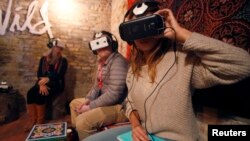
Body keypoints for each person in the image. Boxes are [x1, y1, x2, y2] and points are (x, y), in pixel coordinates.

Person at [83, 1, 250, 141]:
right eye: (136, 27)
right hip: (143, 134)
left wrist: (183, 34)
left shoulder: (183, 60)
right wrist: (135, 125)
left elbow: (244, 65)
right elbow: (130, 103)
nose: (142, 34)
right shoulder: (134, 67)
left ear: (161, 26)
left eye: (148, 25)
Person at [69, 31, 129, 140]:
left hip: (121, 107)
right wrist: (88, 99)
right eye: (97, 44)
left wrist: (90, 107)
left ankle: (84, 131)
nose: (101, 47)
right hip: (108, 103)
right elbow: (97, 86)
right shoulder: (102, 63)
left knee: (83, 121)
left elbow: (115, 94)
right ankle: (78, 135)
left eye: (104, 42)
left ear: (112, 44)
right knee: (74, 104)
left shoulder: (118, 61)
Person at [25, 38, 68, 132]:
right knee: (30, 93)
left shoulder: (63, 60)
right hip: (42, 82)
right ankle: (33, 120)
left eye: (60, 48)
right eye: (57, 47)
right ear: (52, 47)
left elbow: (60, 74)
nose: (58, 50)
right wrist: (42, 84)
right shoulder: (43, 58)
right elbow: (39, 73)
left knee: (40, 94)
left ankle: (39, 121)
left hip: (56, 83)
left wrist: (48, 79)